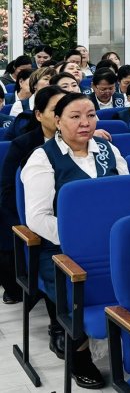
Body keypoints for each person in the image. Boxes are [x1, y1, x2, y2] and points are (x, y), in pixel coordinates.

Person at [22, 92, 129, 388]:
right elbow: (38, 218)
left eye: (91, 115)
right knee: (76, 285)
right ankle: (79, 354)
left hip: (113, 243)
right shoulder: (43, 158)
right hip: (62, 247)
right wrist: (81, 239)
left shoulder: (108, 149)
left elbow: (125, 197)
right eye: (75, 116)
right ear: (57, 121)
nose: (85, 122)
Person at [0, 86, 65, 307]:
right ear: (39, 114)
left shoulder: (83, 145)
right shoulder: (23, 145)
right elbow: (8, 191)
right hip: (34, 219)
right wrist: (26, 225)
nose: (61, 117)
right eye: (55, 111)